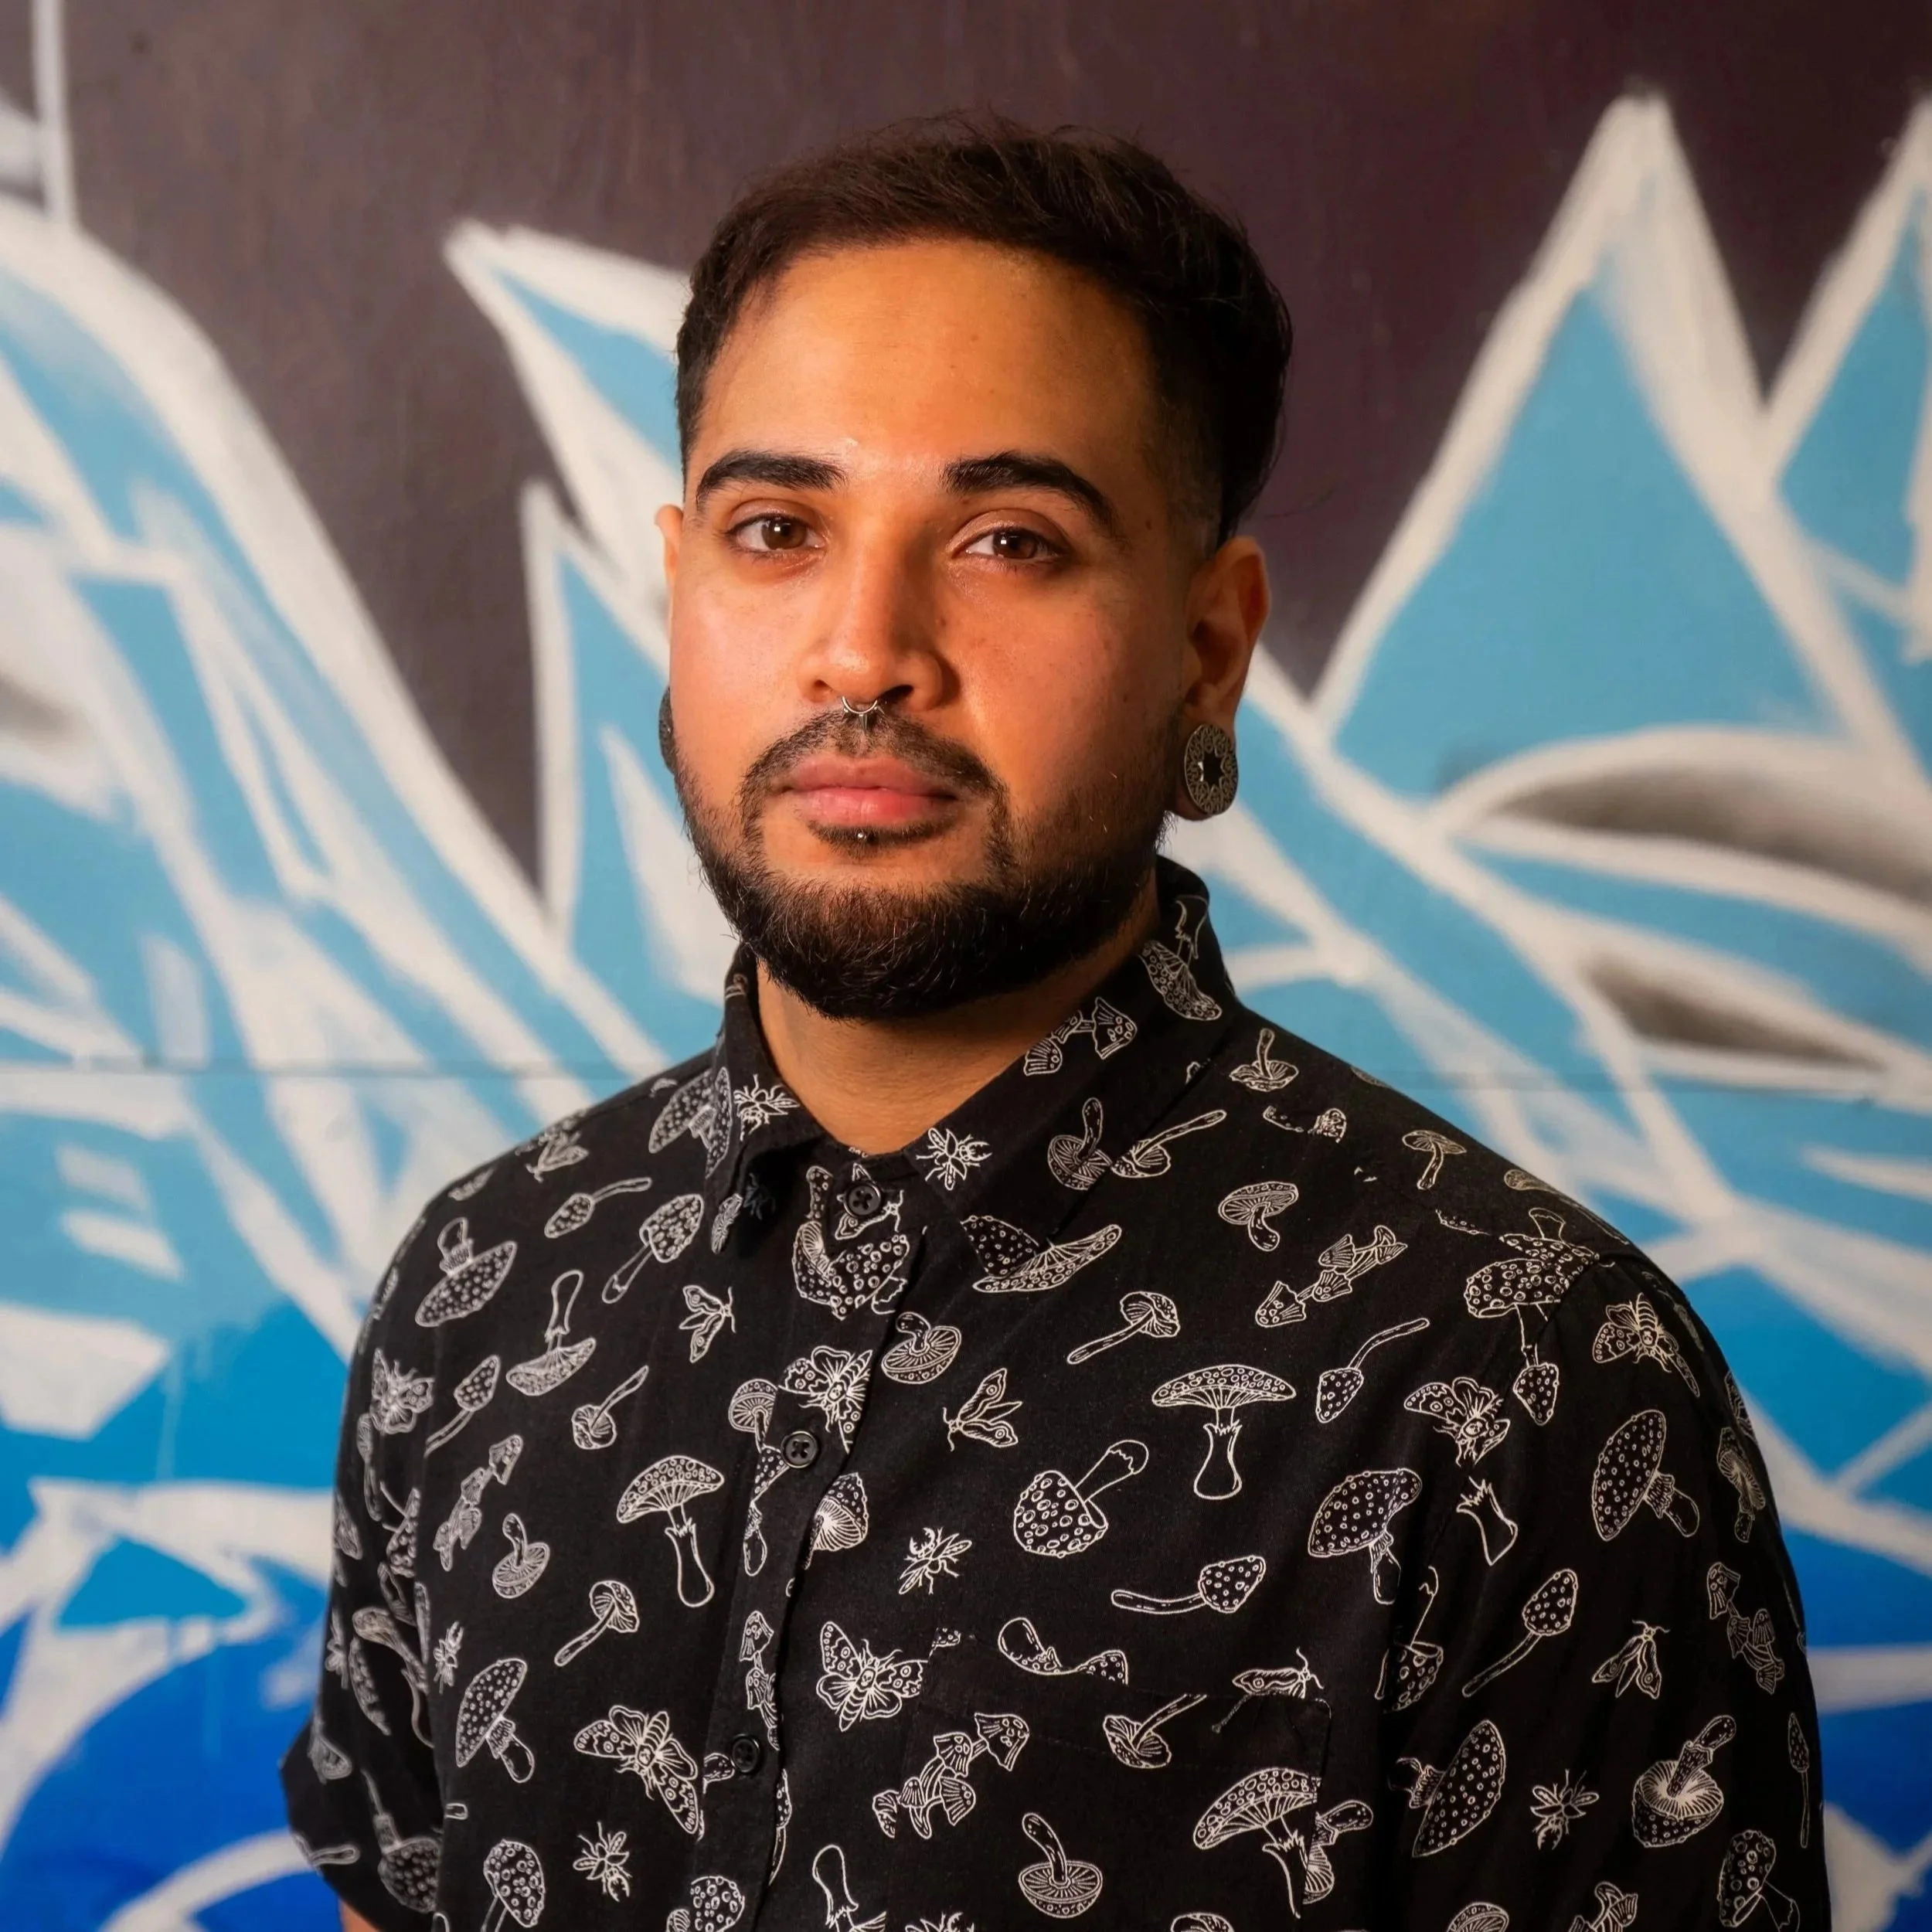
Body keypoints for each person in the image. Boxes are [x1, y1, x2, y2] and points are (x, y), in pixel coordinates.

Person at [284, 116, 1826, 1931]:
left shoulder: (1513, 1379)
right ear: (679, 582)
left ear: (1208, 643)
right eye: (777, 528)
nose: (864, 647)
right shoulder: (485, 1286)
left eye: (1008, 538)